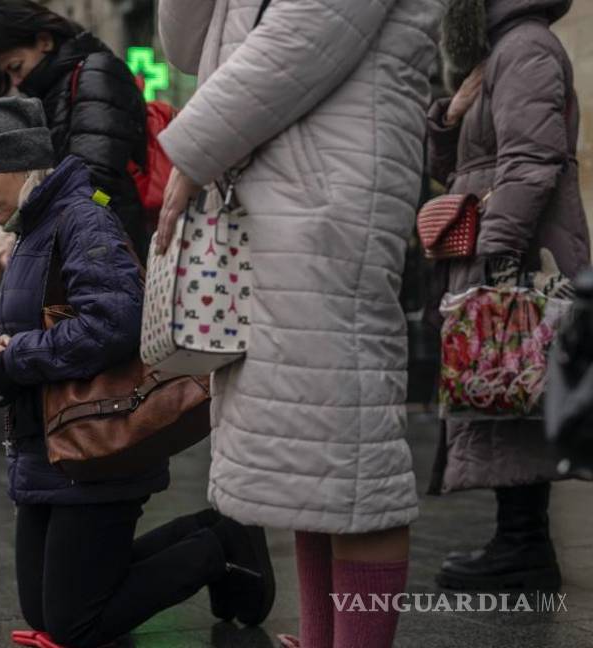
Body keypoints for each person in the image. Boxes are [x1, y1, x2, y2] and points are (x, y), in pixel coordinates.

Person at [152, 1, 443, 646]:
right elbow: (182, 45)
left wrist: (194, 151)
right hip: (274, 192)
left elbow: (306, 32)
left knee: (350, 447)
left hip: (333, 196)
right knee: (305, 448)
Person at [0, 96, 273, 648]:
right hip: (44, 450)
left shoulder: (81, 218)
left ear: (19, 163)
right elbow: (26, 323)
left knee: (75, 624)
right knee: (45, 613)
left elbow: (116, 322)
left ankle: (219, 549)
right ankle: (212, 530)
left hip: (95, 444)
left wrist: (18, 356)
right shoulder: (32, 225)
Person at [426, 0, 589, 592]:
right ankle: (519, 540)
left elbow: (533, 161)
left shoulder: (524, 47)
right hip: (495, 243)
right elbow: (463, 166)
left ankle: (523, 545)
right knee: (504, 386)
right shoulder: (499, 53)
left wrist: (498, 253)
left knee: (514, 380)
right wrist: (451, 116)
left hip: (513, 246)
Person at [0, 0, 148, 260]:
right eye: (8, 75)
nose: (17, 81)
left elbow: (96, 181)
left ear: (44, 41)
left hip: (112, 247)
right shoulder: (51, 94)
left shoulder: (94, 73)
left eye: (16, 67)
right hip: (91, 242)